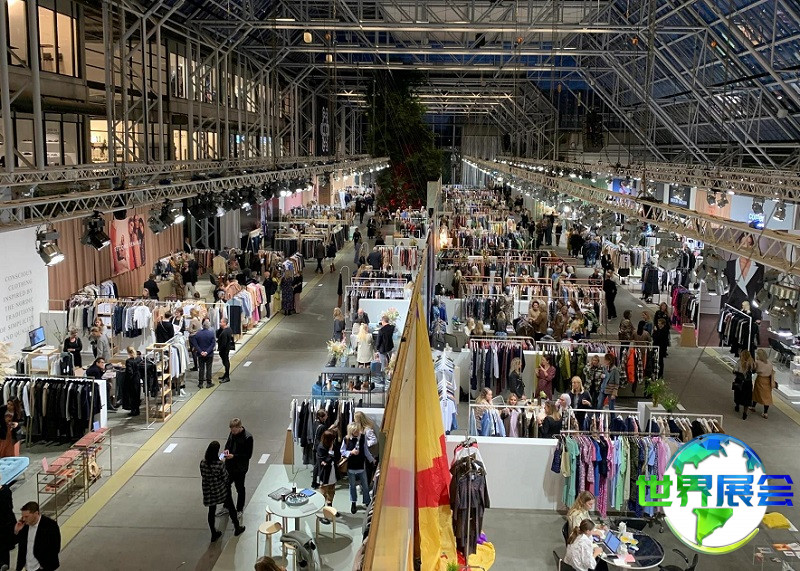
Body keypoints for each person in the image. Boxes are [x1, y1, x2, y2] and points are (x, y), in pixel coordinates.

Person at [200, 441, 244, 541]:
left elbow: (203, 475)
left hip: (209, 492)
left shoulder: (203, 463)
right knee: (231, 508)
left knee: (211, 512)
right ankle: (237, 527)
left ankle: (213, 533)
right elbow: (225, 477)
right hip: (221, 490)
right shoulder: (219, 464)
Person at [13, 501, 61, 571]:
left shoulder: (50, 525)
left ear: (36, 513)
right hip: (28, 566)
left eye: (26, 516)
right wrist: (16, 531)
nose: (24, 519)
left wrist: (44, 565)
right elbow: (17, 544)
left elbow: (55, 548)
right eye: (23, 516)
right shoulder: (24, 526)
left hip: (43, 567)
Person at [340, 422, 376, 514]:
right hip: (351, 467)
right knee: (352, 486)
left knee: (365, 485)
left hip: (361, 466)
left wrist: (372, 460)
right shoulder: (346, 439)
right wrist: (350, 452)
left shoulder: (362, 437)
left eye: (358, 430)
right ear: (351, 431)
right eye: (355, 431)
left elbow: (366, 450)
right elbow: (342, 451)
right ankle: (353, 503)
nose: (357, 432)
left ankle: (367, 501)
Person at [224, 418, 254, 515]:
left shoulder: (248, 438)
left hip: (240, 468)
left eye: (234, 430)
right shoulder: (232, 433)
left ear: (239, 427)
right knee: (225, 485)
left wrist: (234, 456)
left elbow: (248, 455)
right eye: (231, 430)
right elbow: (228, 444)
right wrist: (226, 452)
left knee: (240, 488)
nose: (233, 432)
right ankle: (227, 506)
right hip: (229, 466)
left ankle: (239, 509)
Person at [316, 429, 339, 512]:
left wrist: (331, 458)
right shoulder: (321, 447)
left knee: (331, 491)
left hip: (332, 471)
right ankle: (321, 510)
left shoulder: (333, 445)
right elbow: (325, 460)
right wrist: (331, 453)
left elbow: (338, 456)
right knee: (323, 492)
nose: (334, 440)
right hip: (325, 473)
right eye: (333, 439)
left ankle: (330, 508)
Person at [354, 411, 379, 483]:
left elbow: (374, 440)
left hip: (369, 453)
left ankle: (366, 484)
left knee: (368, 469)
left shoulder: (367, 430)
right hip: (365, 453)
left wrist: (365, 444)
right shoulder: (363, 429)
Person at [191, 320, 216, 389]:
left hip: (200, 354)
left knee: (201, 368)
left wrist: (200, 351)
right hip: (209, 354)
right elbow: (213, 344)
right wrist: (207, 352)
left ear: (202, 326)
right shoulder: (211, 334)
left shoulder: (197, 334)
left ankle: (200, 383)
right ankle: (209, 383)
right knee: (209, 368)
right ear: (208, 326)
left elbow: (195, 344)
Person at [752, 348, 775, 419]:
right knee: (767, 396)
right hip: (768, 380)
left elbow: (754, 369)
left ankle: (753, 406)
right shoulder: (769, 363)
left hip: (760, 379)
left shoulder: (757, 362)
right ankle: (765, 412)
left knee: (756, 393)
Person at [733, 350, 755, 420]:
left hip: (739, 381)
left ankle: (737, 405)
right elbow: (754, 371)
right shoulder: (752, 363)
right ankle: (745, 413)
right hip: (748, 383)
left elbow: (734, 371)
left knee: (738, 394)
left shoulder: (739, 362)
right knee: (747, 398)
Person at [311, 409, 329, 489]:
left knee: (317, 465)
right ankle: (319, 483)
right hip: (320, 448)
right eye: (325, 415)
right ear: (321, 417)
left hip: (315, 446)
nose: (327, 417)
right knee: (319, 466)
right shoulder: (322, 427)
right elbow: (325, 437)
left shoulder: (315, 423)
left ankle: (314, 482)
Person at [123, 347, 141, 417]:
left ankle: (133, 410)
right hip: (137, 378)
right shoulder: (138, 359)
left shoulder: (128, 361)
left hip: (131, 380)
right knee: (137, 394)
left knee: (132, 395)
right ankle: (137, 410)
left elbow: (129, 372)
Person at [216, 318, 235, 383]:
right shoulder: (229, 329)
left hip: (224, 350)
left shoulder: (224, 332)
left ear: (224, 323)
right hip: (227, 348)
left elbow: (223, 343)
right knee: (226, 361)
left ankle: (227, 376)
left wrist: (220, 349)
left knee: (226, 362)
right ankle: (226, 374)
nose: (220, 323)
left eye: (221, 322)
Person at [0, 484, 14, 567]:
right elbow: (10, 506)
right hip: (7, 522)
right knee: (4, 545)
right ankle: (5, 563)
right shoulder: (6, 490)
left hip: (4, 523)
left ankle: (3, 563)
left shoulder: (5, 491)